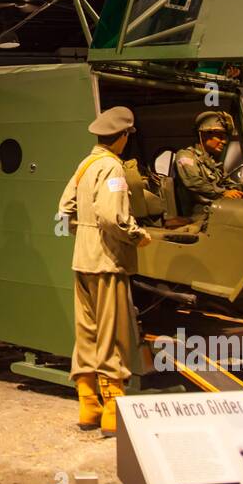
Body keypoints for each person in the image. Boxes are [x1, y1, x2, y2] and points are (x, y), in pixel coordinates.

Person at [57, 106, 152, 437]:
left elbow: (64, 208)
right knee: (112, 335)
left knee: (87, 333)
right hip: (107, 262)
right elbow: (113, 217)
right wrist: (137, 235)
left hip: (81, 259)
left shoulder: (85, 165)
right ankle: (112, 408)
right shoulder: (112, 168)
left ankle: (88, 404)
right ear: (122, 136)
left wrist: (83, 234)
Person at [174, 110, 243, 216]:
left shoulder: (213, 164)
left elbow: (233, 189)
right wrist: (223, 193)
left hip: (217, 212)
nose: (224, 141)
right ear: (204, 135)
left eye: (225, 137)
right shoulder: (185, 156)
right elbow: (193, 182)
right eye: (220, 137)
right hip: (198, 216)